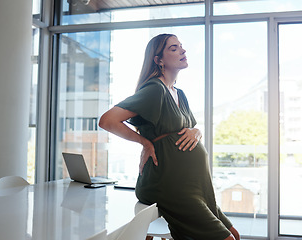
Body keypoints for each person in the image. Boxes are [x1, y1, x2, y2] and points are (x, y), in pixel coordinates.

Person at [99, 33, 240, 240]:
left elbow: (189, 128)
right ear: (158, 60)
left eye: (181, 46)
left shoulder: (179, 93)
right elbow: (107, 120)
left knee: (233, 234)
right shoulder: (155, 90)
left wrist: (196, 131)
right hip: (168, 184)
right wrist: (144, 142)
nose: (182, 50)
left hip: (196, 186)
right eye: (173, 48)